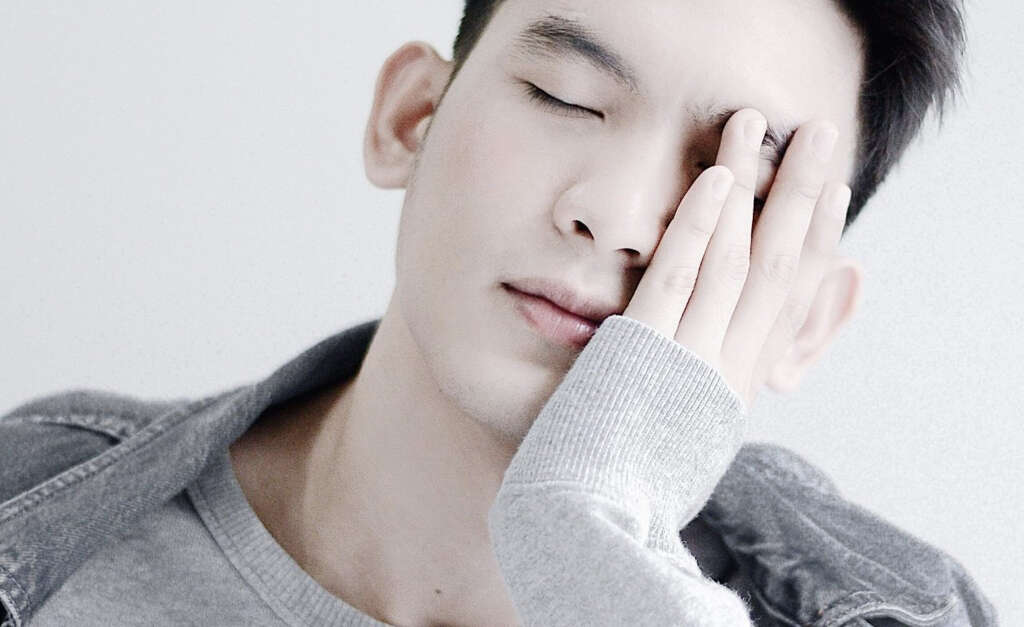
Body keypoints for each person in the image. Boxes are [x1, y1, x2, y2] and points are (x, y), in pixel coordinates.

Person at [0, 0, 998, 625]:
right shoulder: (35, 500)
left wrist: (594, 542)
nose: (616, 216)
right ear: (409, 120)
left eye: (735, 182)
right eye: (566, 97)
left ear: (805, 318)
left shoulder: (907, 611)